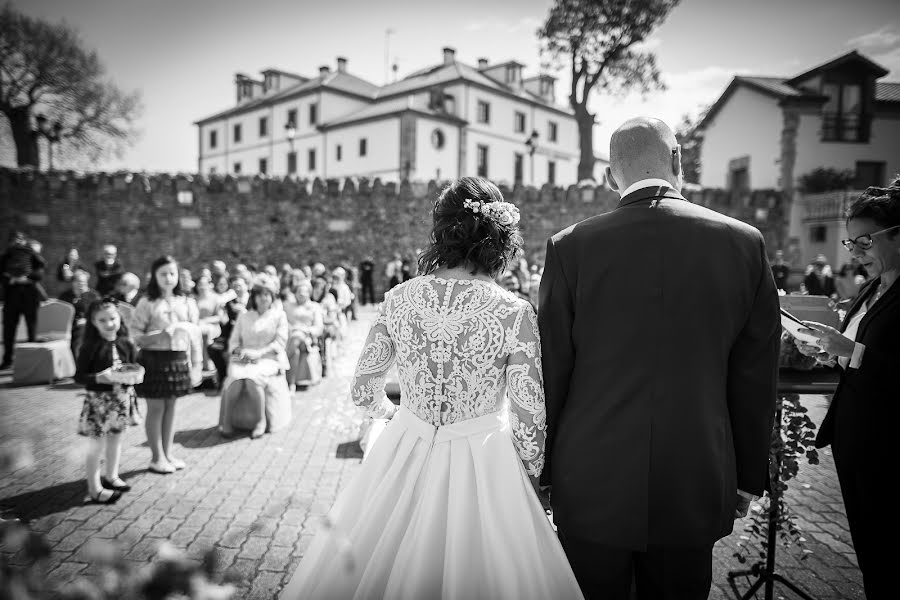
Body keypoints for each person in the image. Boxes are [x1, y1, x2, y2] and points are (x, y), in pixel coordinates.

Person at [283, 177, 583, 599]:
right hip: (485, 456)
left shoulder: (399, 298)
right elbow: (530, 418)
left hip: (406, 442)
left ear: (440, 231)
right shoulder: (514, 313)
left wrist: (397, 419)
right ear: (498, 237)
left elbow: (364, 389)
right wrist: (530, 480)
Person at [538, 117, 780, 599]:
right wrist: (749, 475)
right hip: (694, 472)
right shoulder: (743, 243)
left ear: (611, 176)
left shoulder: (571, 248)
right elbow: (754, 374)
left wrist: (545, 469)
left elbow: (552, 370)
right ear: (677, 161)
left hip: (590, 475)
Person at [795, 184, 900, 598]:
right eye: (850, 241)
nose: (854, 252)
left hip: (891, 447)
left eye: (864, 241)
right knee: (871, 552)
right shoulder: (872, 288)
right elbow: (859, 355)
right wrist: (828, 350)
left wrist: (851, 350)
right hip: (856, 441)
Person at [131, 256, 200, 474]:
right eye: (163, 274)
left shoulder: (187, 302)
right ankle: (156, 457)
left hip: (178, 359)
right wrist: (161, 334)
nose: (168, 278)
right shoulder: (147, 302)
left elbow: (195, 335)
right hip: (154, 358)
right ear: (155, 276)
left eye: (172, 273)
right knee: (156, 408)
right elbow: (135, 335)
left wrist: (196, 364)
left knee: (171, 407)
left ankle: (168, 453)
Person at [74, 297, 142, 504]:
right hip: (99, 401)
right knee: (96, 444)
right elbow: (79, 377)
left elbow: (132, 367)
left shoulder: (126, 343)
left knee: (116, 438)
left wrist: (136, 376)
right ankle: (94, 488)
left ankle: (111, 476)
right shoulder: (89, 346)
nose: (109, 323)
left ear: (119, 318)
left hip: (121, 399)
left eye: (112, 318)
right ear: (94, 323)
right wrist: (98, 377)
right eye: (102, 320)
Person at [218, 282, 291, 438]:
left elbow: (280, 342)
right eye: (260, 295)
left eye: (267, 295)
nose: (263, 298)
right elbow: (234, 341)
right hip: (244, 357)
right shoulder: (244, 316)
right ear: (254, 297)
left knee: (252, 379)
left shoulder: (279, 315)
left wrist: (259, 353)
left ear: (272, 297)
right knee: (236, 378)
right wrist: (240, 352)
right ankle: (227, 421)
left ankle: (260, 420)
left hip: (268, 358)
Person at [0, 231, 47, 370]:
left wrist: (25, 277)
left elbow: (39, 272)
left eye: (20, 239)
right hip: (11, 296)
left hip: (29, 296)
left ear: (24, 241)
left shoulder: (31, 255)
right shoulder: (5, 256)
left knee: (31, 328)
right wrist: (11, 279)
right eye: (14, 239)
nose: (17, 242)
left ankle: (31, 361)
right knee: (8, 330)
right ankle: (8, 359)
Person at [283, 279, 324, 390]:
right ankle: (291, 383)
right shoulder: (286, 306)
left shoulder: (315, 307)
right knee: (295, 350)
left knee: (298, 335)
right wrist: (292, 329)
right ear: (295, 292)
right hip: (289, 337)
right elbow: (281, 322)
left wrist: (305, 330)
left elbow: (319, 327)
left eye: (304, 291)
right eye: (299, 291)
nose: (301, 294)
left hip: (307, 338)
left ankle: (282, 363)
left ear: (309, 293)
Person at [58, 269, 100, 360]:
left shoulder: (93, 296)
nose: (82, 285)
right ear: (73, 282)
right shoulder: (65, 296)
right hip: (67, 325)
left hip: (87, 325)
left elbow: (98, 312)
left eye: (84, 283)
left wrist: (86, 320)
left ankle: (77, 362)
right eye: (80, 282)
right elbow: (60, 312)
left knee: (80, 333)